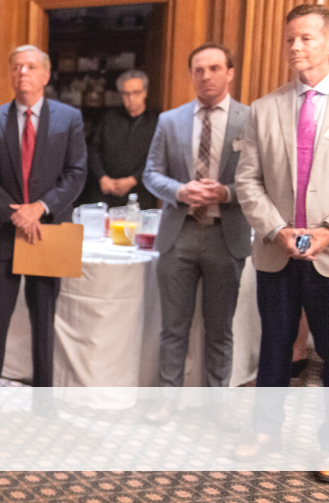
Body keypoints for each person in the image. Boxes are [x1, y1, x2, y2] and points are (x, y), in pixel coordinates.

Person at [234, 4, 329, 476]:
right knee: (274, 345)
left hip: (328, 253)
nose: (295, 47)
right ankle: (265, 430)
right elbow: (247, 180)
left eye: (306, 38)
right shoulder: (264, 108)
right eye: (290, 39)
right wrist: (277, 229)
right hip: (276, 250)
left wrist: (326, 233)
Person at [0, 45, 87, 407]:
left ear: (46, 75)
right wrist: (14, 214)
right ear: (10, 75)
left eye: (31, 67)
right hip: (2, 234)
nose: (23, 72)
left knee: (43, 320)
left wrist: (40, 207)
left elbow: (76, 173)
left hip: (47, 233)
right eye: (17, 67)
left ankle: (44, 400)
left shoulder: (69, 119)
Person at [142, 42, 251, 430]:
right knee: (173, 327)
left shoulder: (250, 120)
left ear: (230, 73)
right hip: (179, 234)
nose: (206, 76)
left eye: (215, 68)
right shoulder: (170, 121)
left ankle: (217, 403)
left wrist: (226, 193)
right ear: (191, 74)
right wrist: (179, 190)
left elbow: (261, 180)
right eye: (199, 70)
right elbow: (151, 174)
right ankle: (167, 399)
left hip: (226, 235)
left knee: (220, 330)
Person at [82, 70, 159, 209]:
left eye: (136, 93)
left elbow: (158, 159)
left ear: (145, 92)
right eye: (126, 93)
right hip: (106, 192)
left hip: (139, 195)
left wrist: (133, 180)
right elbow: (93, 150)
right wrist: (102, 177)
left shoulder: (156, 122)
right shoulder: (108, 119)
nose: (131, 98)